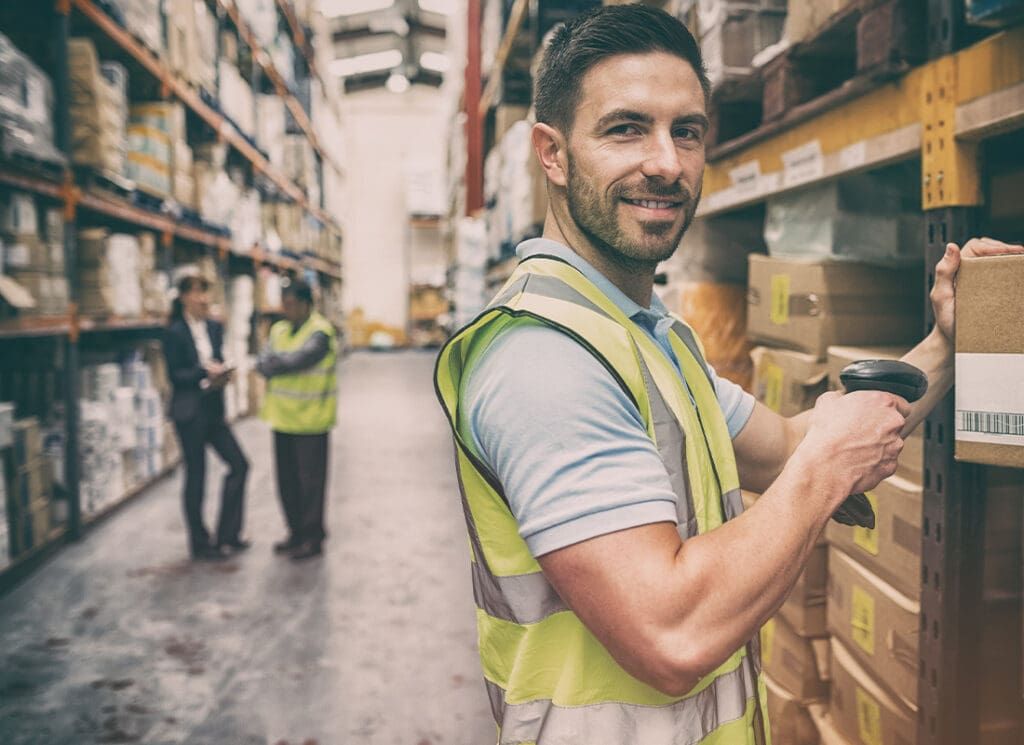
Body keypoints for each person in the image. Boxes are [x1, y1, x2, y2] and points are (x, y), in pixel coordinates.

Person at [433, 6, 1024, 743]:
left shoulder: (645, 337)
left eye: (686, 131)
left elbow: (792, 445)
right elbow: (670, 635)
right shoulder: (544, 358)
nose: (667, 163)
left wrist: (945, 343)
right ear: (552, 154)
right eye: (626, 129)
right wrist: (825, 471)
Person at [163, 273, 250, 561]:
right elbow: (175, 375)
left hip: (213, 409)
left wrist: (222, 373)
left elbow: (218, 358)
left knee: (239, 465)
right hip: (189, 412)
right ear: (183, 298)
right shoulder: (175, 332)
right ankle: (200, 543)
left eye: (204, 292)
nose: (203, 298)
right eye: (196, 292)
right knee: (196, 476)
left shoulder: (214, 327)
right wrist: (204, 373)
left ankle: (228, 535)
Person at [257, 278, 338, 561]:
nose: (286, 310)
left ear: (306, 304)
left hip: (312, 421)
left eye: (291, 304)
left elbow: (299, 360)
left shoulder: (320, 333)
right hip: (282, 419)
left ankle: (312, 537)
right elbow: (262, 362)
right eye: (284, 304)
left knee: (310, 484)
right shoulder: (278, 329)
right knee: (287, 482)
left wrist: (276, 362)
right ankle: (295, 533)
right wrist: (276, 362)